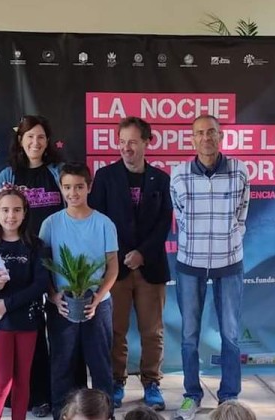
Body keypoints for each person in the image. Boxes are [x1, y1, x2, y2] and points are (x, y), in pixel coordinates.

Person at [0, 115, 77, 417]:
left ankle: (56, 395)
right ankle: (27, 394)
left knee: (60, 329)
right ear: (20, 140)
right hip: (19, 261)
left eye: (40, 137)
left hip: (57, 260)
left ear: (48, 141)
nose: (35, 143)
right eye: (29, 137)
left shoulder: (57, 172)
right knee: (27, 330)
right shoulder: (8, 175)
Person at [170, 114, 250, 420]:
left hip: (229, 262)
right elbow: (179, 216)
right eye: (200, 133)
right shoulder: (178, 175)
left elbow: (242, 215)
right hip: (190, 263)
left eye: (212, 132)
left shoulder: (239, 171)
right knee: (190, 335)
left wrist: (229, 239)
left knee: (230, 334)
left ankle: (229, 397)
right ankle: (192, 394)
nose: (206, 138)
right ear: (192, 139)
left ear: (221, 136)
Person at [89, 117, 172, 410]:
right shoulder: (105, 177)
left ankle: (152, 383)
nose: (127, 148)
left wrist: (142, 254)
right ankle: (116, 382)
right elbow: (97, 221)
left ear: (147, 142)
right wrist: (124, 253)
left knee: (153, 331)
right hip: (116, 268)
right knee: (115, 330)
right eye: (122, 141)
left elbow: (164, 223)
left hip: (151, 268)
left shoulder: (161, 179)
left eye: (133, 141)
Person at [39, 162, 119, 420]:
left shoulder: (104, 223)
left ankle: (105, 414)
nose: (73, 193)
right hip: (61, 305)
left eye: (79, 187)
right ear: (61, 189)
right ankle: (63, 414)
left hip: (98, 304)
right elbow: (44, 266)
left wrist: (97, 298)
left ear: (89, 187)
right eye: (67, 187)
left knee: (100, 365)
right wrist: (53, 296)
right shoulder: (50, 224)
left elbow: (112, 267)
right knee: (62, 364)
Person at [0, 186, 51, 420]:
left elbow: (39, 285)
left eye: (16, 210)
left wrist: (7, 302)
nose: (11, 215)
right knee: (1, 382)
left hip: (28, 320)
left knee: (23, 381)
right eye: (5, 210)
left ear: (25, 212)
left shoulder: (36, 246)